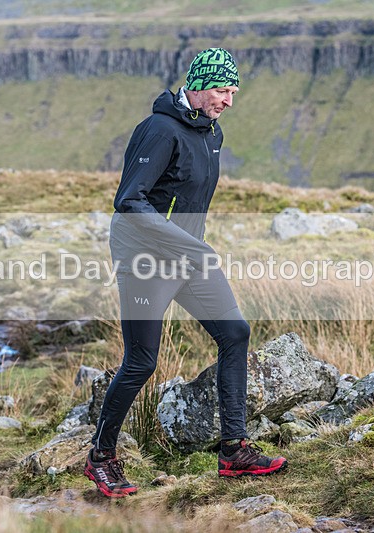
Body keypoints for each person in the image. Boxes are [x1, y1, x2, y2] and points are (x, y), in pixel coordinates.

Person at [84, 48, 288, 498]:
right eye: (221, 89)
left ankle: (234, 451)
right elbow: (129, 201)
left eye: (233, 91)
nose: (228, 100)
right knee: (142, 361)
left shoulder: (212, 132)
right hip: (145, 257)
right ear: (195, 86)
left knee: (234, 332)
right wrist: (187, 244)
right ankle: (100, 457)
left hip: (187, 257)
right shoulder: (159, 130)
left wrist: (192, 249)